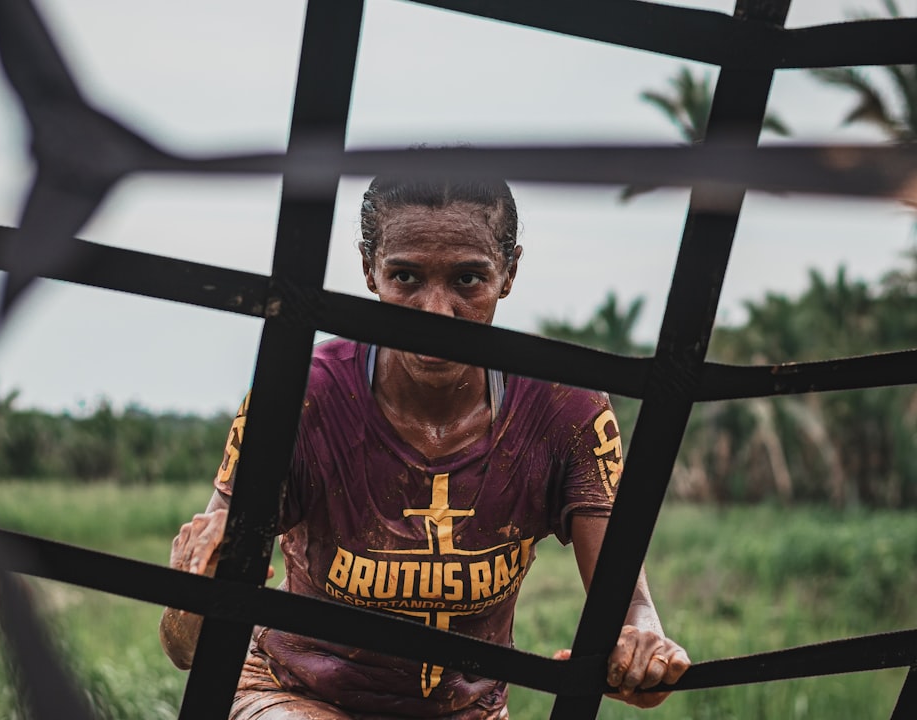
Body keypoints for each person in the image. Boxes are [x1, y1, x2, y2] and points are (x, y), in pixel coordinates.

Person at [159, 175, 690, 719]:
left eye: (467, 280)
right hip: (293, 697)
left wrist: (643, 650)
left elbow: (631, 611)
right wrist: (191, 590)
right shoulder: (299, 397)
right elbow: (186, 649)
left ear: (508, 273)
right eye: (406, 277)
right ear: (370, 270)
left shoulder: (564, 410)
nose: (436, 313)